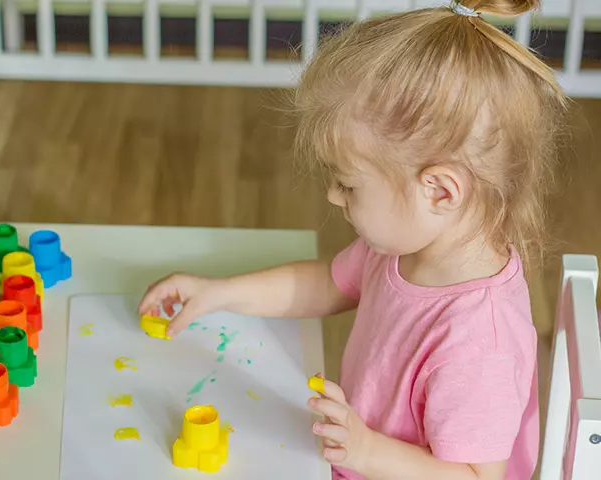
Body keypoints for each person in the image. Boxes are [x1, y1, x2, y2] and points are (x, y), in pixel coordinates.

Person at [138, 0, 568, 478]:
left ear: (440, 191)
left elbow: (475, 477)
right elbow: (330, 284)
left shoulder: (480, 341)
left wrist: (366, 451)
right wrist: (218, 292)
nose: (333, 195)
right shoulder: (411, 244)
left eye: (348, 184)